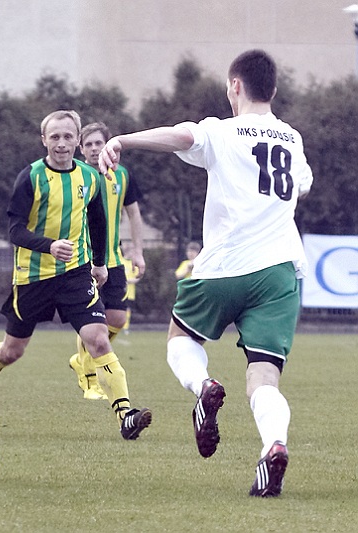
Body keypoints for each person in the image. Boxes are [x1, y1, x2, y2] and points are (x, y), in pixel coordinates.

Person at [98, 49, 313, 497]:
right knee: (264, 378)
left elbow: (180, 136)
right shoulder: (292, 138)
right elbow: (303, 184)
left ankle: (205, 386)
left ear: (235, 85)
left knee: (180, 338)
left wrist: (123, 141)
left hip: (225, 266)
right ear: (273, 90)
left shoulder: (221, 130)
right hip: (280, 272)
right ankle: (274, 446)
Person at [0, 110, 151, 440]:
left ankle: (126, 415)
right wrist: (49, 246)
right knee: (12, 351)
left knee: (98, 338)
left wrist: (99, 263)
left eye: (68, 136)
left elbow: (98, 222)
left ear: (76, 140)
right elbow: (14, 231)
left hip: (75, 274)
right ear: (44, 140)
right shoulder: (30, 177)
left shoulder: (90, 177)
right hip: (33, 278)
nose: (61, 143)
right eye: (55, 137)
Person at [68, 122, 147, 400]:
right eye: (88, 144)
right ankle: (90, 379)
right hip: (83, 260)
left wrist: (137, 251)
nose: (93, 149)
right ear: (81, 149)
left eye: (98, 143)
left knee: (117, 318)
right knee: (91, 320)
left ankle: (82, 358)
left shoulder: (122, 175)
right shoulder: (76, 176)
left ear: (107, 145)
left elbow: (134, 214)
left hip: (113, 258)